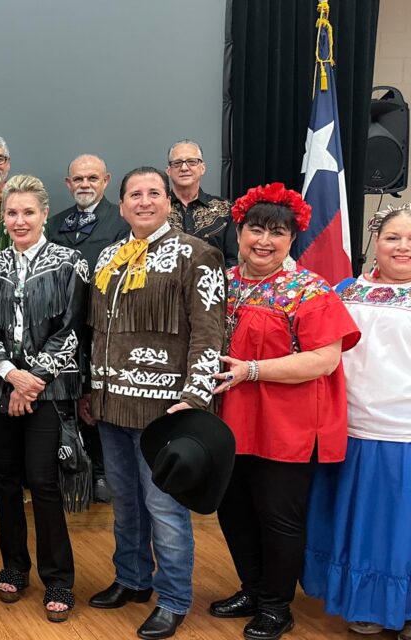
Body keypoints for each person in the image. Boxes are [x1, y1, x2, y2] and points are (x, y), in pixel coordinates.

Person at [211, 184, 360, 640]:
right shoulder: (224, 282)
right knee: (232, 509)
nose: (264, 240)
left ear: (292, 239)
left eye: (278, 232)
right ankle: (252, 589)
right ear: (239, 231)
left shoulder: (307, 290)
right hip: (230, 422)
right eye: (256, 229)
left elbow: (324, 359)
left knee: (278, 515)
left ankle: (277, 605)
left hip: (289, 424)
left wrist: (254, 369)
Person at [86, 167, 225, 639]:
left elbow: (210, 333)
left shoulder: (198, 254)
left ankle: (173, 598)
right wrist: (93, 390)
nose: (143, 201)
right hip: (111, 404)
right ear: (121, 205)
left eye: (153, 193)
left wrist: (195, 395)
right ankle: (131, 579)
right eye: (134, 194)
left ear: (169, 201)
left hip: (168, 411)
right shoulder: (108, 256)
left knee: (164, 507)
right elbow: (99, 332)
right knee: (125, 503)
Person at [0, 175, 88, 622]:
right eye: (12, 213)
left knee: (43, 482)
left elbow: (73, 329)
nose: (19, 220)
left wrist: (33, 380)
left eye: (28, 212)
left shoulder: (70, 262)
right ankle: (14, 565)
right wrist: (10, 374)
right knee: (4, 480)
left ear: (44, 215)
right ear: (2, 218)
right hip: (0, 387)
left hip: (50, 390)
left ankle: (58, 578)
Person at [302, 205, 411, 639]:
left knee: (399, 531)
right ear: (374, 243)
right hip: (349, 429)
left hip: (404, 433)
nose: (403, 247)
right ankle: (362, 603)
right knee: (358, 527)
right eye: (393, 238)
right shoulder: (345, 290)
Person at [48, 154, 129, 504]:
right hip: (60, 325)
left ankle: (100, 470)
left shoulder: (120, 221)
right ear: (68, 184)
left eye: (92, 178)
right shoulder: (53, 224)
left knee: (95, 397)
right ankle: (68, 469)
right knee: (63, 398)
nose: (85, 184)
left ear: (106, 180)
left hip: (101, 325)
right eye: (78, 179)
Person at [166, 139, 237, 267]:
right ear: (169, 171)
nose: (184, 168)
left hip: (215, 283)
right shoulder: (156, 209)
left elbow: (233, 260)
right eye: (177, 163)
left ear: (202, 168)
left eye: (192, 162)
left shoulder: (226, 209)